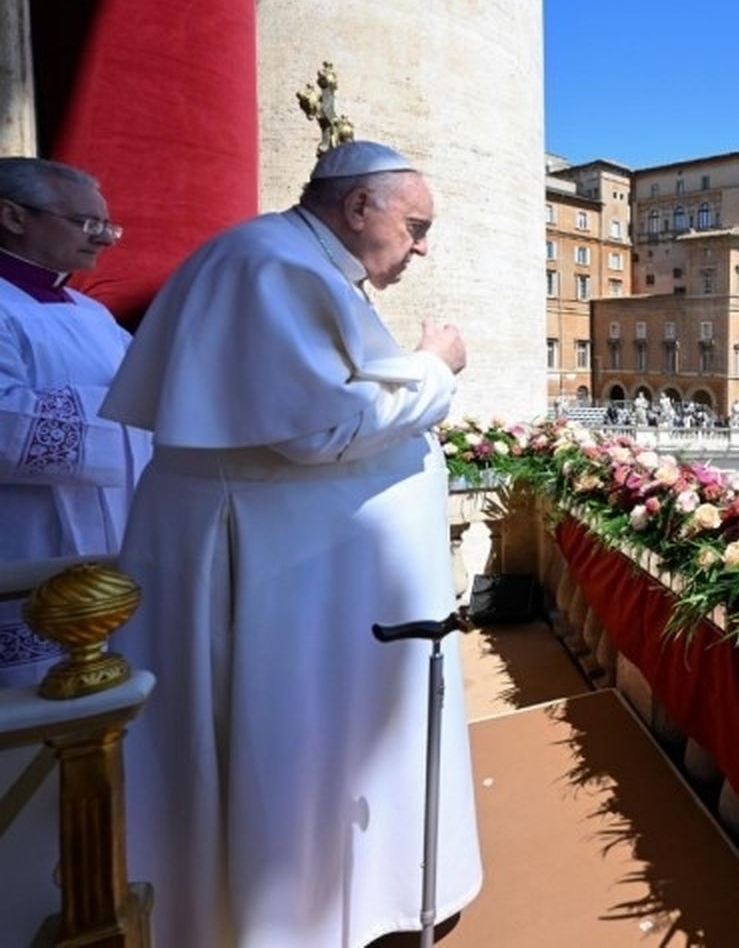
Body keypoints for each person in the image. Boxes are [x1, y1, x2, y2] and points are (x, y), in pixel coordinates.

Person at [104, 141, 481, 947]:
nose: (421, 247)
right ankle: (286, 911)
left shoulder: (288, 262)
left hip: (299, 570)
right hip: (274, 576)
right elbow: (323, 427)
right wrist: (435, 366)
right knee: (283, 747)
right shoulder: (267, 266)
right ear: (357, 208)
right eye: (414, 226)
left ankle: (339, 895)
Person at [0, 157, 151, 685]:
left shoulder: (92, 315)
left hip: (113, 550)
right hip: (25, 541)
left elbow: (153, 392)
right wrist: (124, 413)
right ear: (13, 216)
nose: (105, 240)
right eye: (89, 224)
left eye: (108, 225)